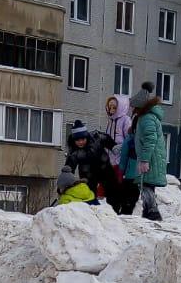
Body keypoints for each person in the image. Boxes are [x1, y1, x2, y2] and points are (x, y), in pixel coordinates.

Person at [124, 82, 168, 220]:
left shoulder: (147, 119)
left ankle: (152, 212)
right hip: (151, 157)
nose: (132, 111)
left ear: (139, 107)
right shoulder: (145, 118)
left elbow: (150, 140)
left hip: (151, 158)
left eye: (134, 108)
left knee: (147, 185)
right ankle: (148, 211)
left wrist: (144, 160)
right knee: (146, 185)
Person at [64, 120, 115, 201]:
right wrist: (65, 183)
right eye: (77, 140)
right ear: (74, 140)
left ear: (86, 137)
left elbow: (107, 139)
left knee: (110, 187)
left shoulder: (95, 138)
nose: (80, 142)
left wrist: (114, 147)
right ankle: (91, 205)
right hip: (87, 173)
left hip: (103, 167)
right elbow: (69, 167)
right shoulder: (74, 151)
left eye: (83, 139)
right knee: (89, 192)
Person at [104, 95, 133, 214]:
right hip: (110, 160)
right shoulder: (110, 121)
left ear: (120, 108)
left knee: (120, 185)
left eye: (114, 107)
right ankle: (112, 208)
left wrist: (120, 147)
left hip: (121, 160)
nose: (111, 110)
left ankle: (122, 207)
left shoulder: (126, 120)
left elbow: (130, 139)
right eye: (110, 107)